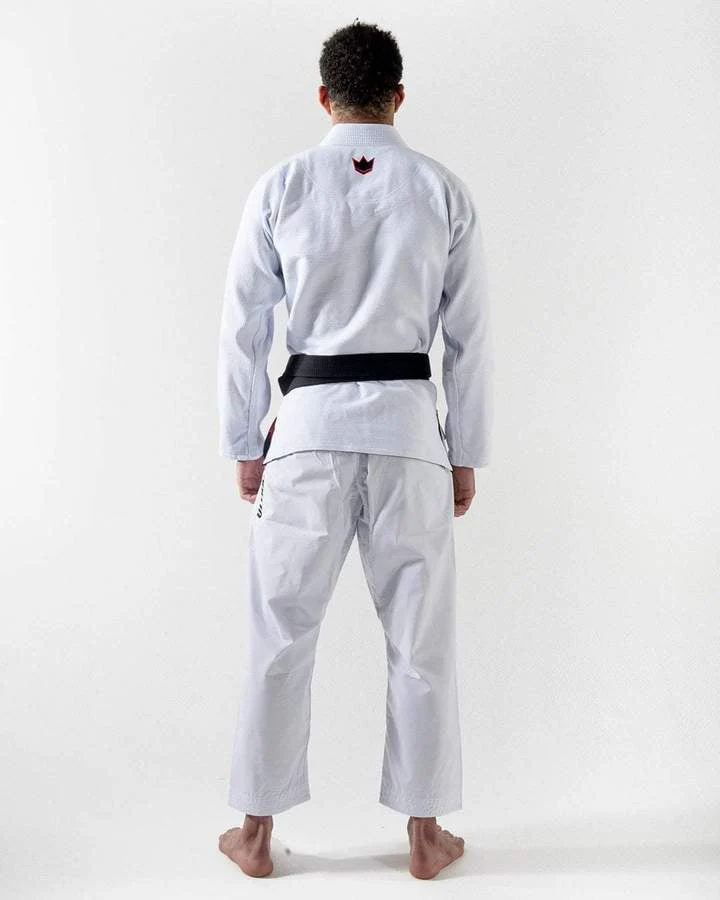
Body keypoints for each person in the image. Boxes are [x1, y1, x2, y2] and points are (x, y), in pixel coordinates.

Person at [216, 19, 493, 880]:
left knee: (279, 631)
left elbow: (243, 327)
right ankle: (425, 834)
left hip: (305, 434)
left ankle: (254, 832)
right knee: (421, 640)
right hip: (409, 435)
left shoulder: (282, 186)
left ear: (324, 97)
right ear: (399, 96)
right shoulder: (441, 190)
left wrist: (245, 440)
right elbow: (470, 338)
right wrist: (465, 452)